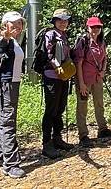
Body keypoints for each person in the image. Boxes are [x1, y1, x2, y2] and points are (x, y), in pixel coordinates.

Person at [0, 11, 26, 178]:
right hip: (6, 86)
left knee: (3, 120)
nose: (18, 26)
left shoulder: (13, 41)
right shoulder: (5, 41)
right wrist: (5, 37)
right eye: (14, 23)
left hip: (10, 84)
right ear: (5, 25)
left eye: (20, 23)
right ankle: (11, 165)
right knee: (8, 122)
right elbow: (2, 49)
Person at [73, 16, 111, 147]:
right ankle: (83, 135)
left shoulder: (101, 42)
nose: (95, 29)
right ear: (88, 28)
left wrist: (103, 70)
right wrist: (81, 83)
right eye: (93, 27)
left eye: (98, 27)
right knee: (82, 106)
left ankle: (102, 129)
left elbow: (104, 58)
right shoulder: (83, 42)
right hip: (84, 79)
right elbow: (78, 63)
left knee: (99, 103)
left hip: (97, 78)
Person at [41, 9, 75, 159]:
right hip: (51, 77)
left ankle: (57, 138)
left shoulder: (64, 35)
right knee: (50, 109)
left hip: (63, 77)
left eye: (65, 20)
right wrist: (58, 68)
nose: (63, 22)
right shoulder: (50, 34)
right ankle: (46, 143)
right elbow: (49, 55)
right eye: (60, 20)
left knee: (60, 108)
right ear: (54, 21)